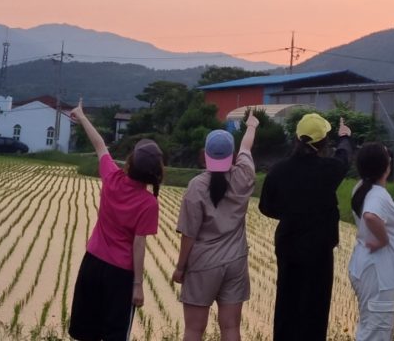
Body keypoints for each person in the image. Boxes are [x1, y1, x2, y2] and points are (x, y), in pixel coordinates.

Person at [68, 99, 164, 341]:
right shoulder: (148, 203)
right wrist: (138, 285)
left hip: (92, 264)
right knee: (114, 334)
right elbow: (139, 244)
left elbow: (100, 144)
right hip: (120, 275)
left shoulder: (112, 177)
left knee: (86, 332)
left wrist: (81, 115)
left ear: (130, 163)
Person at [258, 112, 354, 341]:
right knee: (316, 308)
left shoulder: (278, 170)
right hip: (319, 249)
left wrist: (290, 213)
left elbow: (265, 207)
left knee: (286, 304)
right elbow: (344, 158)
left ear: (297, 138)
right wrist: (345, 137)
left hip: (288, 245)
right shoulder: (329, 170)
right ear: (324, 142)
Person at [173, 110, 261, 341]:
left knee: (194, 329)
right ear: (232, 156)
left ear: (205, 155)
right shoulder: (244, 175)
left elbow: (189, 234)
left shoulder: (196, 186)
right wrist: (251, 125)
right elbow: (246, 147)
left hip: (203, 263)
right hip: (236, 261)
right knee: (231, 328)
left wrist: (180, 267)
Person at [348, 142, 394, 341]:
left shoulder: (361, 187)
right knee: (376, 332)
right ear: (384, 167)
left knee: (369, 327)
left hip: (367, 267)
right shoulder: (377, 195)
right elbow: (371, 216)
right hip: (378, 274)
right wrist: (383, 240)